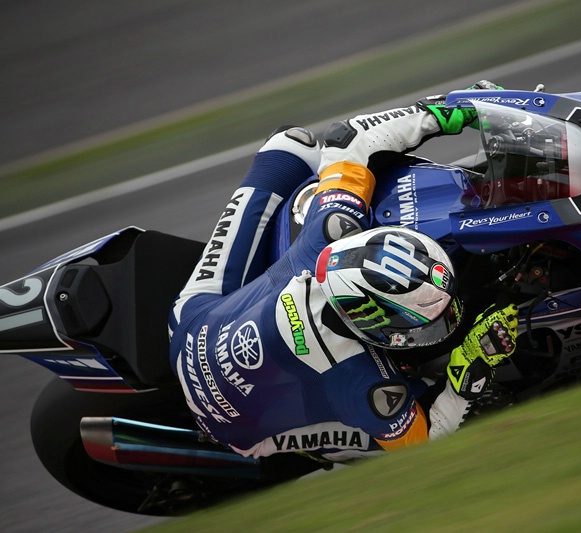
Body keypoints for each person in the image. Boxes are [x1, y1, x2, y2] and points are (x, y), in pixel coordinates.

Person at [168, 82, 519, 462]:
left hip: (194, 321)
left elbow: (348, 140)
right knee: (404, 422)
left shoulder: (329, 233)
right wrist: (471, 366)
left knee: (291, 145)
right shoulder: (361, 381)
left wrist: (445, 113)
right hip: (232, 426)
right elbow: (426, 442)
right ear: (372, 324)